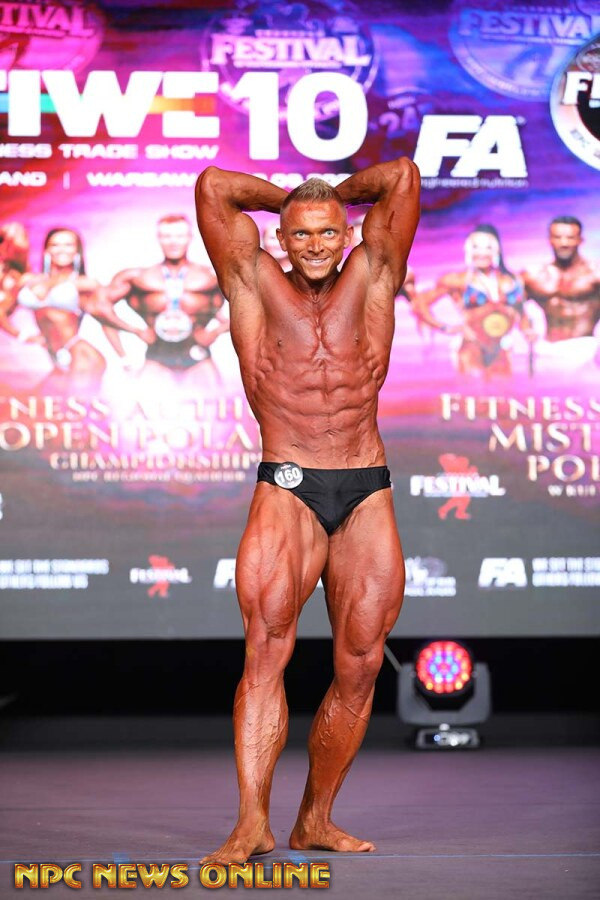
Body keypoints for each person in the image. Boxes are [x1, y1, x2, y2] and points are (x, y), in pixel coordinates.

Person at [194, 158, 420, 864]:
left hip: (365, 486)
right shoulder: (251, 278)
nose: (316, 245)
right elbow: (214, 187)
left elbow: (402, 177)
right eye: (300, 234)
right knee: (265, 652)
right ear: (281, 239)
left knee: (361, 663)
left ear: (347, 233)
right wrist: (295, 198)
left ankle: (315, 819)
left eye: (327, 232)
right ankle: (251, 824)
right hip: (288, 483)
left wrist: (327, 198)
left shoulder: (373, 272)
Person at [0, 227, 149, 391]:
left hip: (83, 356)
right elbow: (2, 311)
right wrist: (22, 336)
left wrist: (124, 356)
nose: (62, 250)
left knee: (76, 402)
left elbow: (104, 318)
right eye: (55, 245)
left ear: (77, 251)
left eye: (68, 245)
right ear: (47, 250)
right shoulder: (29, 281)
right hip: (56, 358)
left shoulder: (86, 284)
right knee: (46, 401)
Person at [106, 214, 229, 388]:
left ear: (190, 237)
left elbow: (254, 308)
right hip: (157, 358)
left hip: (198, 357)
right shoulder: (138, 278)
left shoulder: (212, 276)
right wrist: (134, 334)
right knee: (145, 405)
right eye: (167, 236)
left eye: (179, 236)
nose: (173, 242)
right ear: (158, 238)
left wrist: (216, 331)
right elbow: (99, 308)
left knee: (215, 404)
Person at [414, 224, 534, 378]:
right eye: (476, 247)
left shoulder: (511, 280)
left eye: (487, 247)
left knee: (504, 390)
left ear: (496, 250)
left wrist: (527, 331)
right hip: (471, 348)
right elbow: (419, 304)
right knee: (473, 389)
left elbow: (521, 313)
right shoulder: (458, 280)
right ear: (469, 250)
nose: (482, 253)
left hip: (501, 350)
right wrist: (446, 328)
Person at [521, 216, 600, 372]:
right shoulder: (534, 276)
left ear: (580, 240)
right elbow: (511, 305)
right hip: (547, 349)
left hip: (585, 349)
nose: (564, 243)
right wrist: (526, 327)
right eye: (558, 237)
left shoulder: (595, 274)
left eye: (570, 238)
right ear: (550, 240)